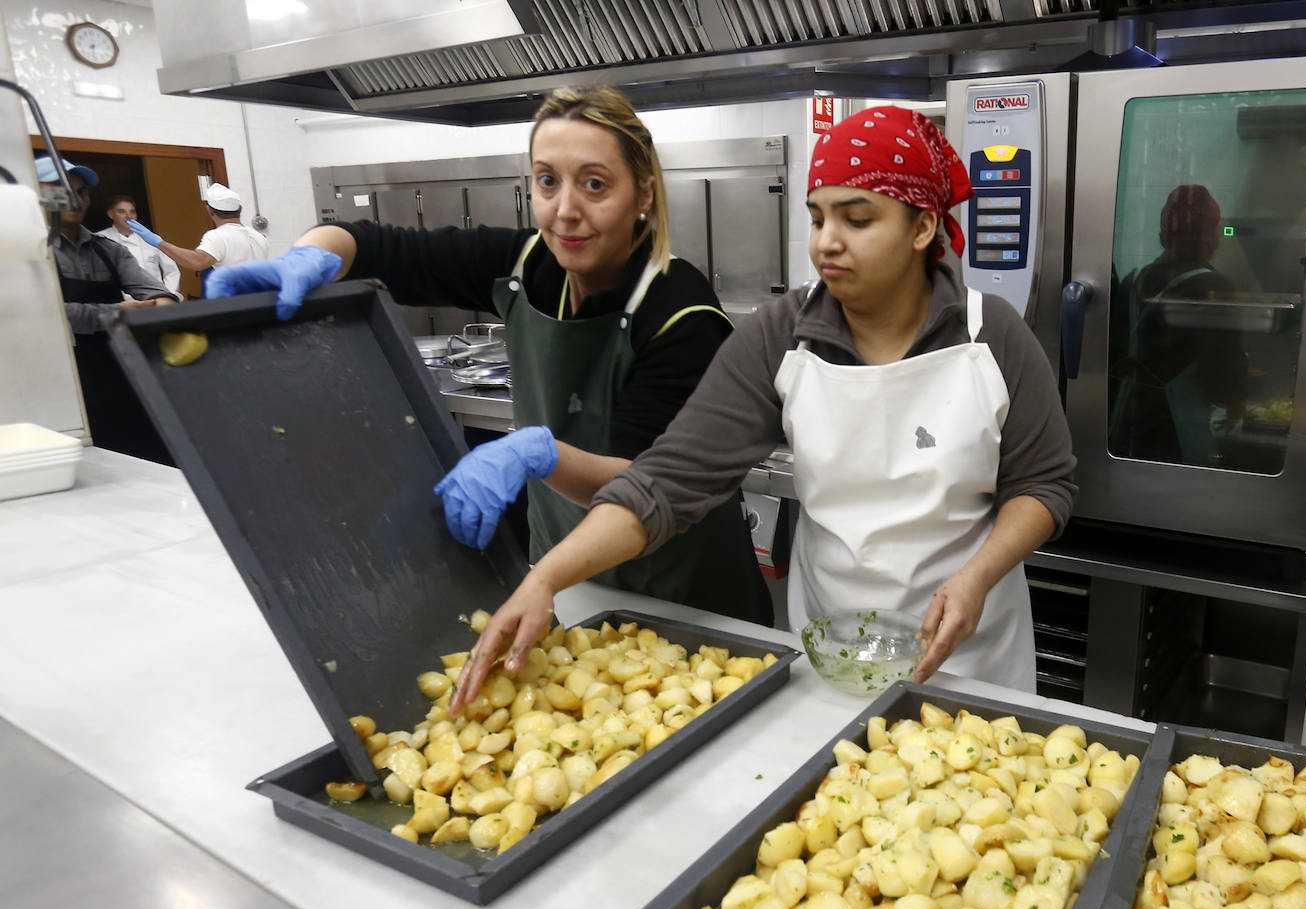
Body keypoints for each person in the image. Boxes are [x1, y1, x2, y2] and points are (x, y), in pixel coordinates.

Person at [452, 105, 1077, 706]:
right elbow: (668, 483)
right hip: (836, 650)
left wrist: (978, 576)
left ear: (921, 228)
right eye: (817, 217)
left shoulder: (989, 334)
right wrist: (547, 578)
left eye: (856, 220)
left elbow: (1044, 485)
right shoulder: (783, 334)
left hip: (971, 657)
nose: (826, 243)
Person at [202, 85, 773, 627]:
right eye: (548, 182)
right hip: (562, 580)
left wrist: (537, 455)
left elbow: (648, 485)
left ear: (643, 193)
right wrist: (308, 257)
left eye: (595, 185)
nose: (565, 210)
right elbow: (370, 242)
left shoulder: (680, 311)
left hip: (682, 591)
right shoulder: (525, 264)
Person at [39, 156, 179, 464]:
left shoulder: (108, 250)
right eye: (63, 189)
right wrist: (118, 312)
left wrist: (164, 307)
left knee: (145, 455)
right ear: (39, 193)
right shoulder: (33, 253)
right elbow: (47, 316)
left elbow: (157, 292)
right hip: (62, 382)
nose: (76, 199)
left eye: (82, 192)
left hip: (118, 369)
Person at [1108, 184, 1248, 467]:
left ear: (1163, 236)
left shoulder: (1133, 281)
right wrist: (1236, 404)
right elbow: (1225, 380)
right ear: (1207, 237)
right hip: (1174, 436)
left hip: (1124, 428)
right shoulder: (1214, 288)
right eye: (1214, 230)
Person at [123, 182, 269, 280]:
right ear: (240, 209)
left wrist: (159, 243)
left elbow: (197, 261)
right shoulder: (259, 237)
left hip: (238, 305)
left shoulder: (218, 236)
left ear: (209, 210)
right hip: (262, 301)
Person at [95, 192, 182, 300]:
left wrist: (168, 295)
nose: (128, 216)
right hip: (122, 305)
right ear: (110, 214)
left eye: (132, 212)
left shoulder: (151, 238)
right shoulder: (100, 240)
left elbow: (171, 270)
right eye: (121, 212)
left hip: (156, 301)